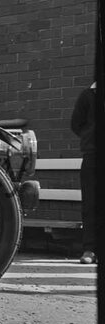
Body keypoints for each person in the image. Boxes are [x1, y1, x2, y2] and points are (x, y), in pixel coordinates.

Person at [70, 81, 98, 265]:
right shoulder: (88, 95)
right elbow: (76, 124)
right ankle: (90, 249)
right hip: (94, 156)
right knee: (91, 203)